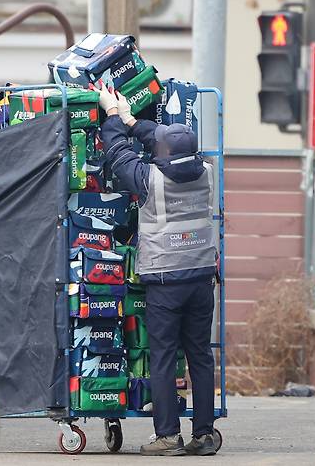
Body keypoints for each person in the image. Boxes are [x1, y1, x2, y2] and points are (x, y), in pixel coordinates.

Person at [92, 82, 217, 456]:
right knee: (200, 356)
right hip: (200, 278)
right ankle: (205, 434)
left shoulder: (151, 180)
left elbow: (117, 154)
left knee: (161, 356)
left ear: (161, 154)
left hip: (165, 281)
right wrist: (134, 120)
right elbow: (165, 144)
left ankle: (167, 436)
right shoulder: (206, 173)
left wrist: (113, 117)